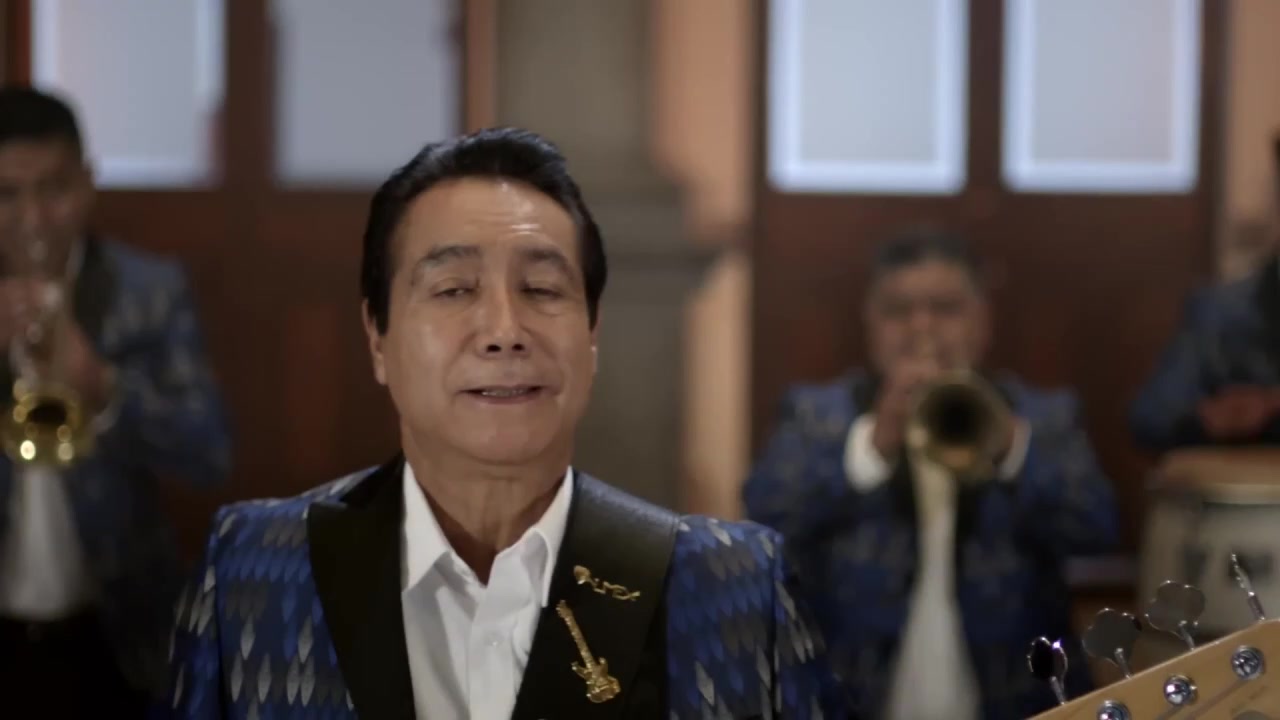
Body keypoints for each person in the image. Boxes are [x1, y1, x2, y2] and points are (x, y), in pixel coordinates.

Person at [164, 127, 845, 719]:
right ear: (378, 337)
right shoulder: (257, 571)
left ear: (592, 335)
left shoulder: (731, 589)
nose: (503, 330)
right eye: (454, 289)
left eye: (542, 289)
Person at [743, 227, 1119, 720]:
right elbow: (765, 516)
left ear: (983, 322)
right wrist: (872, 447)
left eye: (945, 309)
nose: (921, 328)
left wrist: (1009, 445)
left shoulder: (1044, 418)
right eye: (898, 310)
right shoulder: (814, 415)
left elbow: (1095, 527)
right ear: (871, 323)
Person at [0, 86, 232, 715]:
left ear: (87, 184)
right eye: (7, 195)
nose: (32, 219)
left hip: (117, 642)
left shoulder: (149, 291)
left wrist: (101, 386)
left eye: (52, 190)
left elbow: (210, 453)